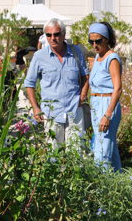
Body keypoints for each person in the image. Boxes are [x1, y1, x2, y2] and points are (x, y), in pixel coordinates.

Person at [24, 18, 89, 147]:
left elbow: (85, 76)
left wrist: (82, 96)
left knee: (77, 153)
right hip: (51, 114)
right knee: (53, 155)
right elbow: (29, 83)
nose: (53, 38)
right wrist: (36, 108)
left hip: (74, 111)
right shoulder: (39, 56)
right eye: (49, 35)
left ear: (63, 35)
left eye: (56, 34)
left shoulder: (76, 52)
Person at [87, 22, 122, 171]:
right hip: (96, 103)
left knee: (102, 152)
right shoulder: (97, 57)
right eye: (91, 41)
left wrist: (107, 115)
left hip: (106, 103)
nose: (95, 45)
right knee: (108, 148)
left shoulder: (112, 58)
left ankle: (101, 188)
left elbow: (118, 88)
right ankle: (120, 184)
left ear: (107, 39)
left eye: (98, 41)